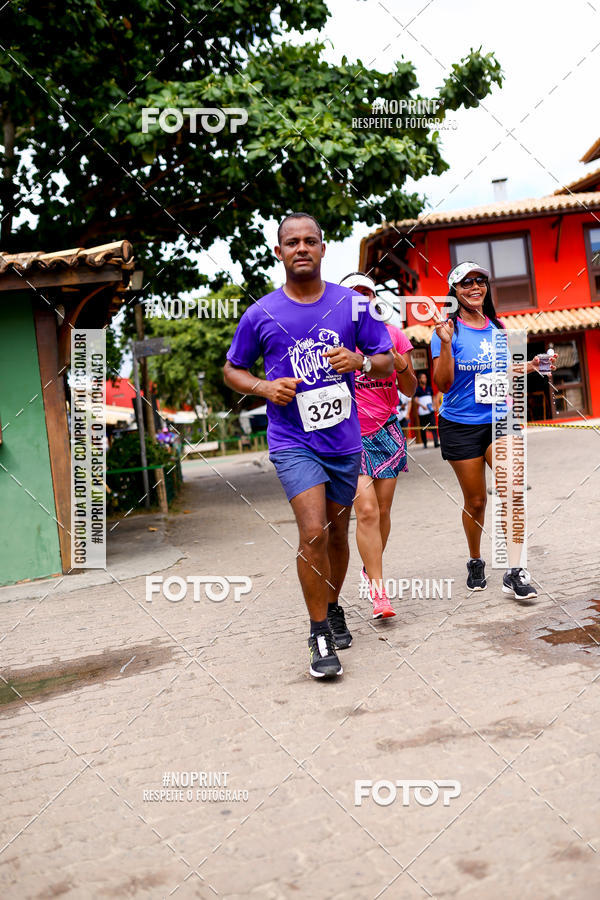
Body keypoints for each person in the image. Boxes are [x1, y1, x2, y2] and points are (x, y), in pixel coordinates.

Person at [224, 213, 393, 679]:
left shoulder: (354, 306)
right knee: (314, 532)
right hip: (292, 440)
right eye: (291, 242)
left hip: (343, 441)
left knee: (338, 537)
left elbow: (387, 363)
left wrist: (360, 359)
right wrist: (262, 387)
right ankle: (319, 631)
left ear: (323, 249)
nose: (301, 248)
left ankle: (333, 605)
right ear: (278, 252)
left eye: (310, 241)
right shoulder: (261, 313)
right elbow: (232, 368)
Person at [431, 261, 551, 601]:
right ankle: (474, 559)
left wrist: (530, 365)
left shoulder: (499, 328)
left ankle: (515, 570)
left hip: (500, 420)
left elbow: (503, 370)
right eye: (466, 282)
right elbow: (442, 384)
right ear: (454, 291)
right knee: (477, 500)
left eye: (480, 281)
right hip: (460, 425)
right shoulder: (446, 330)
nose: (474, 287)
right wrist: (443, 344)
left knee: (512, 488)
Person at [339, 272, 416, 619]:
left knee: (383, 513)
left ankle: (370, 571)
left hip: (386, 431)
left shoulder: (393, 334)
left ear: (373, 298)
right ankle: (380, 593)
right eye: (352, 294)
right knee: (366, 511)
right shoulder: (333, 338)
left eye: (365, 293)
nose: (359, 299)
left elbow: (412, 389)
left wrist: (401, 368)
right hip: (347, 436)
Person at [413, 373, 439, 448]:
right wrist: (422, 405)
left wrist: (434, 405)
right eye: (423, 378)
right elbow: (416, 400)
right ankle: (425, 443)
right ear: (419, 379)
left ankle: (436, 442)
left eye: (425, 378)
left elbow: (433, 397)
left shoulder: (429, 388)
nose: (424, 379)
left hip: (430, 411)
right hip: (422, 412)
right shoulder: (417, 389)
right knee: (423, 428)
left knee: (433, 426)